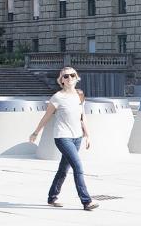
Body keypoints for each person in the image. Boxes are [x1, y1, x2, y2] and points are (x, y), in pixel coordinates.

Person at [29, 67, 99, 211]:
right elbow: (47, 116)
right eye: (65, 76)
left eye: (72, 75)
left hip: (77, 137)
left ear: (77, 77)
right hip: (62, 136)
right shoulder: (57, 97)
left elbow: (82, 116)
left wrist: (88, 135)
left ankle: (52, 197)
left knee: (63, 169)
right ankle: (86, 201)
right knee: (78, 167)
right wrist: (35, 133)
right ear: (61, 80)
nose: (69, 78)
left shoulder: (80, 95)